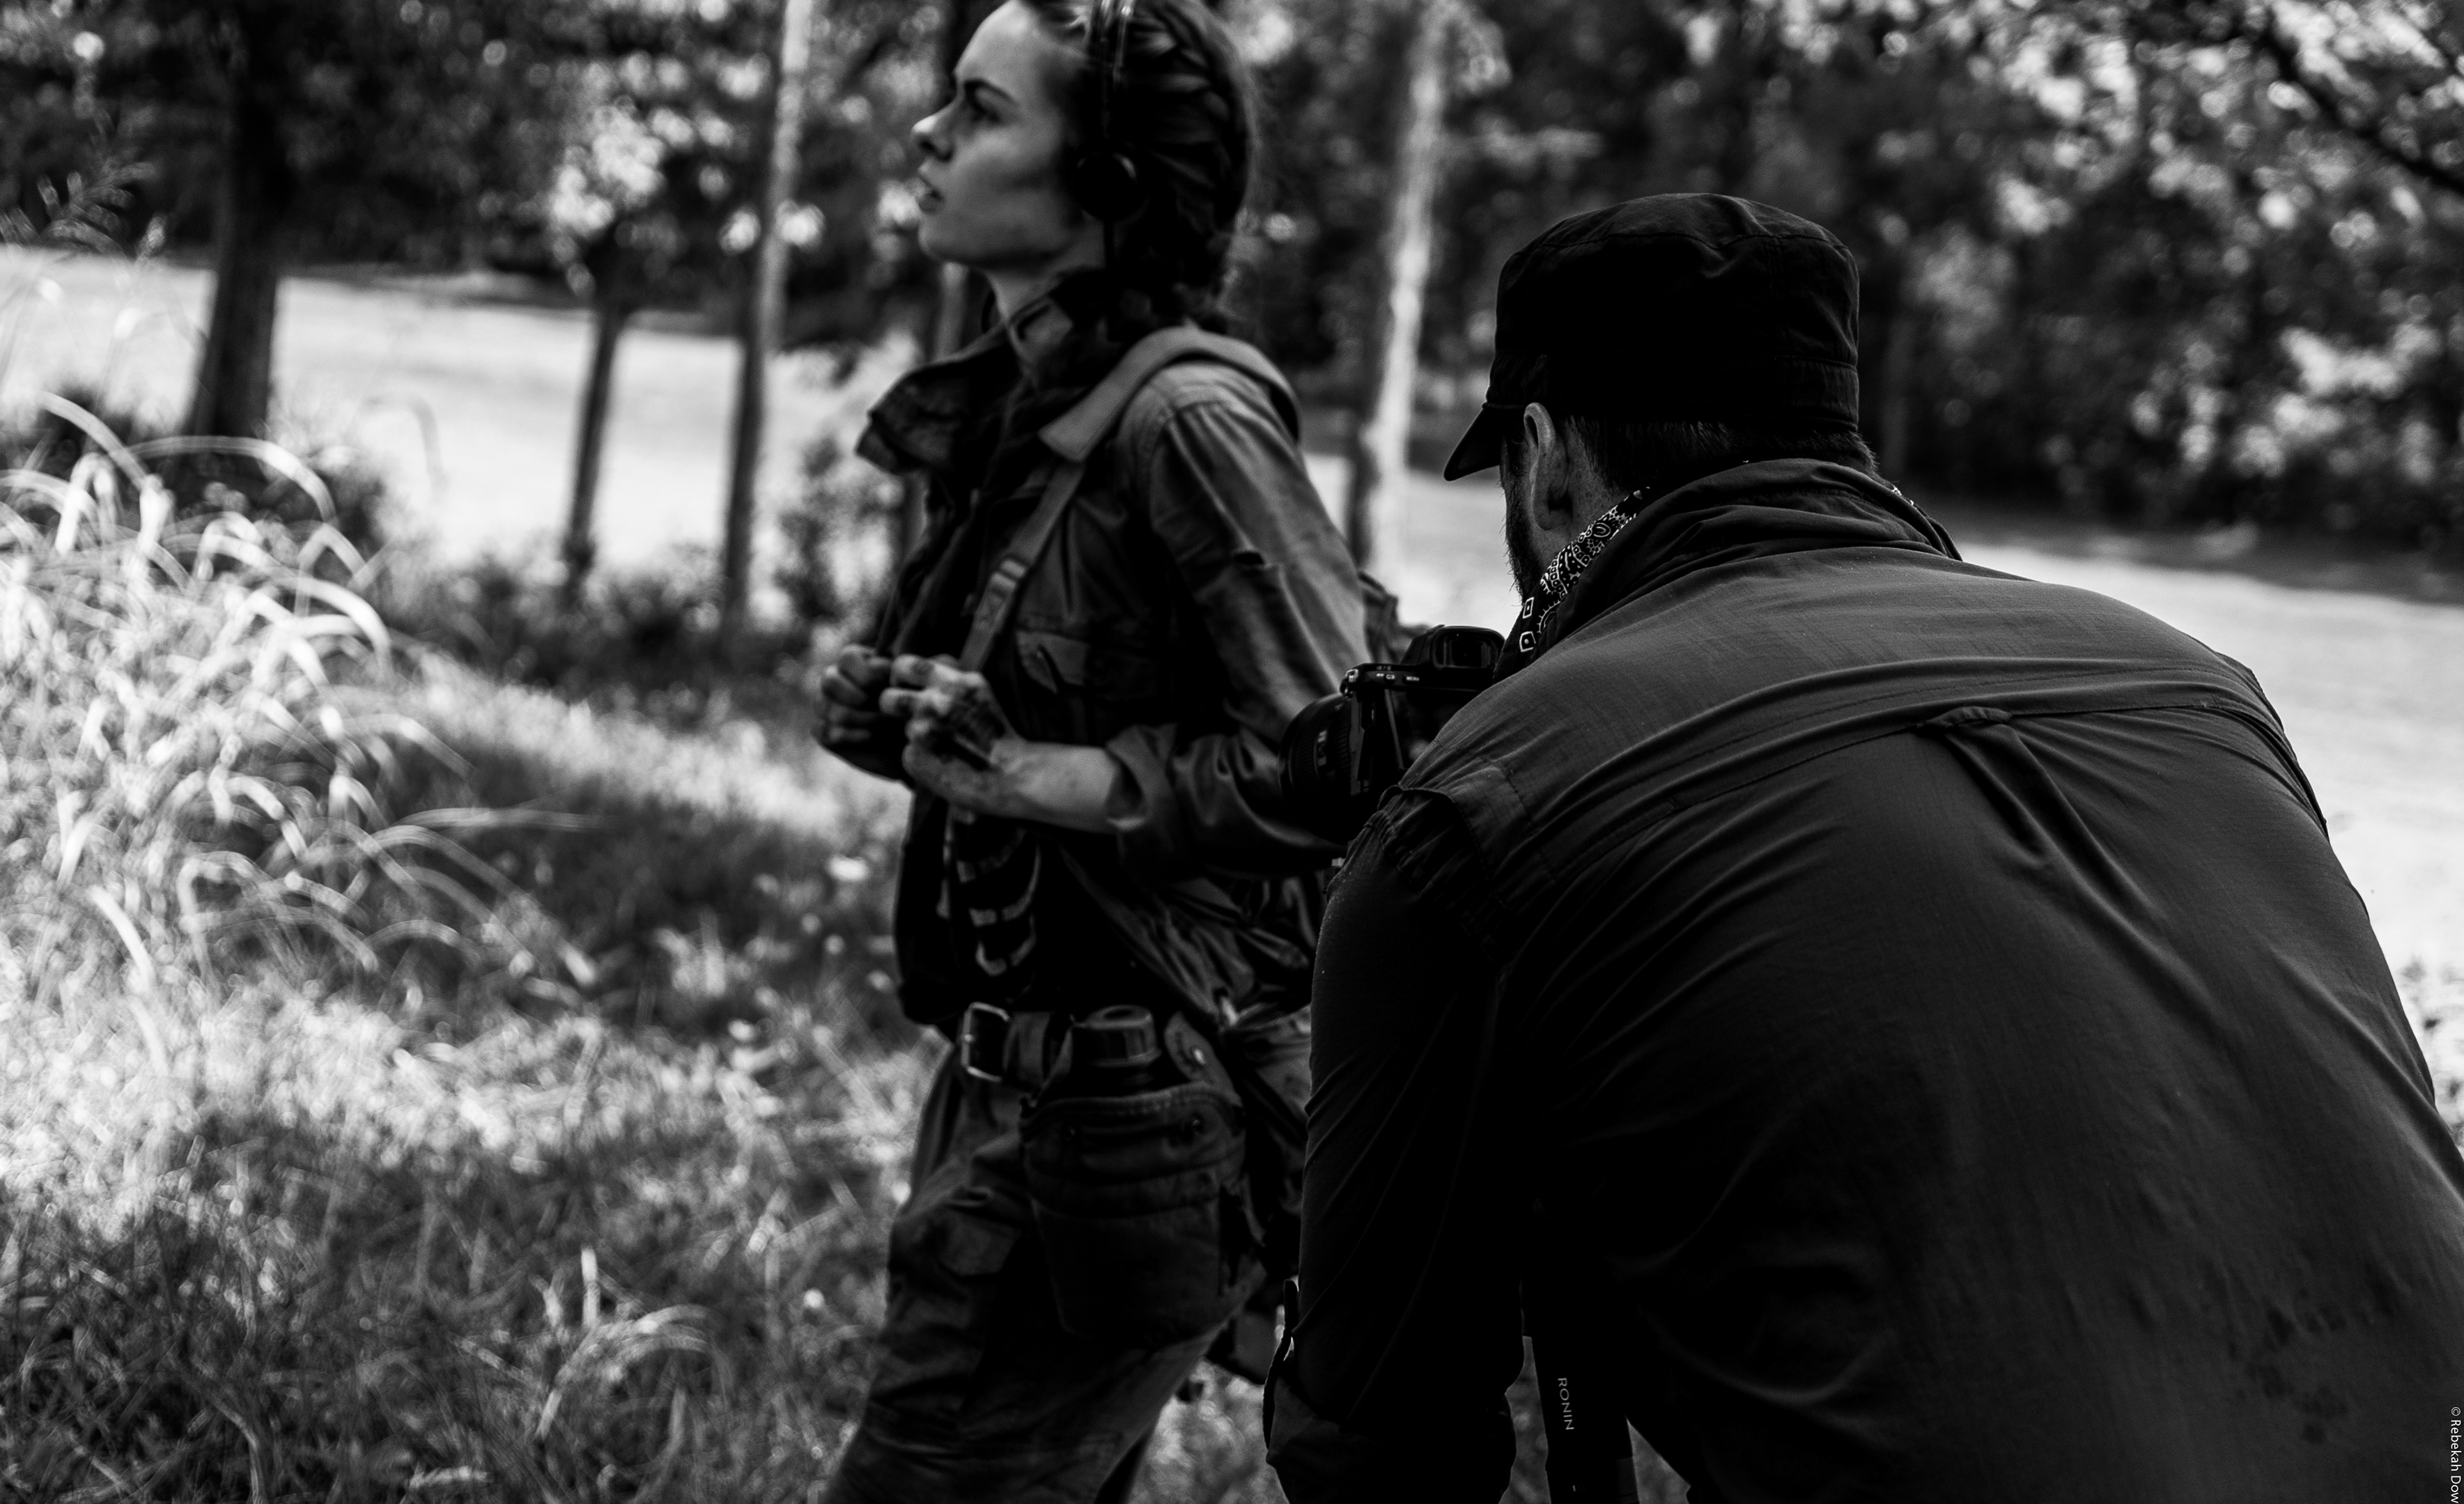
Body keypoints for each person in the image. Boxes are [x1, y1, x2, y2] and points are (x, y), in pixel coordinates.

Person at [1266, 194, 2464, 1503]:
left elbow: (1374, 1452)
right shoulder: (2196, 684)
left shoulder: (1484, 802)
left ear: (1545, 455)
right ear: (1837, 430)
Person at [812, 1, 1365, 1498]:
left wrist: (1044, 777)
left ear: (1107, 183)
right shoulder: (1035, 392)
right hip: (1019, 1090)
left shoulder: (1189, 421)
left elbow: (1346, 757)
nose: (930, 134)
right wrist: (916, 728)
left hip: (1127, 1116)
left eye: (984, 110)